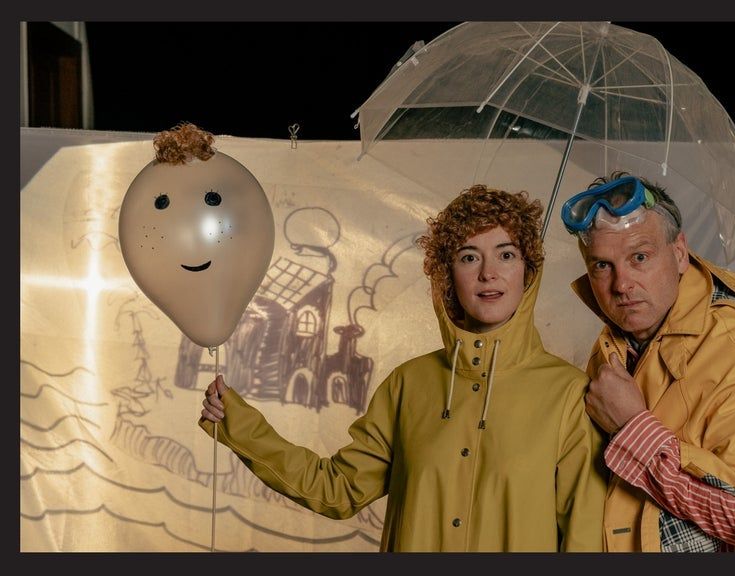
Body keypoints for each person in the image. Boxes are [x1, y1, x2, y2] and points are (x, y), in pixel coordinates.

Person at [199, 185, 606, 551]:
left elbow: (584, 539)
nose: (488, 273)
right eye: (469, 257)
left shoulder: (569, 395)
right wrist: (241, 426)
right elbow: (338, 489)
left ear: (528, 270)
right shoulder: (408, 385)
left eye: (506, 254)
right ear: (447, 275)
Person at [561, 171, 735, 552]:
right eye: (602, 265)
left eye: (639, 257)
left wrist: (631, 427)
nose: (621, 284)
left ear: (679, 252)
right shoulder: (611, 349)